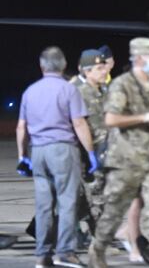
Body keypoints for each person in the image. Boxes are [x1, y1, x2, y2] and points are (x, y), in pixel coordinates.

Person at [87, 37, 149, 268]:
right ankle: (97, 250)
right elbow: (111, 119)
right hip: (125, 158)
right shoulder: (121, 84)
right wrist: (144, 117)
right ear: (140, 58)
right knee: (114, 211)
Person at [17, 46, 98, 268]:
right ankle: (65, 252)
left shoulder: (30, 91)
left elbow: (21, 127)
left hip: (38, 151)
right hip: (62, 149)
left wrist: (23, 156)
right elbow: (79, 123)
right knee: (67, 202)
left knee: (44, 205)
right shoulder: (68, 90)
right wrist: (90, 153)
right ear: (62, 66)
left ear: (41, 66)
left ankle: (42, 255)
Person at [73, 50, 110, 229]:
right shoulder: (78, 92)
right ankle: (99, 242)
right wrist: (88, 155)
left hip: (105, 152)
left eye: (104, 67)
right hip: (88, 156)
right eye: (99, 68)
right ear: (86, 71)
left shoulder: (103, 91)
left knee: (99, 200)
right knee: (94, 200)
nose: (104, 71)